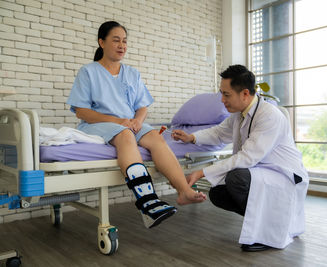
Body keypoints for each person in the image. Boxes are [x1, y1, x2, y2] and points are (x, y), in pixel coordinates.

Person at [67, 21, 206, 229]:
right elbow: (81, 111)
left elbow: (142, 107)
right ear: (101, 42)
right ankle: (147, 200)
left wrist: (137, 122)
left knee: (156, 138)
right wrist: (120, 122)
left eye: (124, 41)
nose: (122, 45)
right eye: (116, 40)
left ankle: (184, 191)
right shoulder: (88, 72)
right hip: (99, 123)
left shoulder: (132, 73)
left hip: (130, 123)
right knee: (125, 136)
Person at [172, 65, 309, 252]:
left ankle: (272, 230)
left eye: (226, 95)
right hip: (261, 172)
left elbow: (247, 158)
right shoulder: (238, 115)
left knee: (236, 177)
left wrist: (201, 173)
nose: (222, 100)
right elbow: (219, 133)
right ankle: (270, 224)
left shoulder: (269, 115)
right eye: (222, 94)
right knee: (218, 194)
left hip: (283, 175)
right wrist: (192, 137)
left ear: (245, 93)